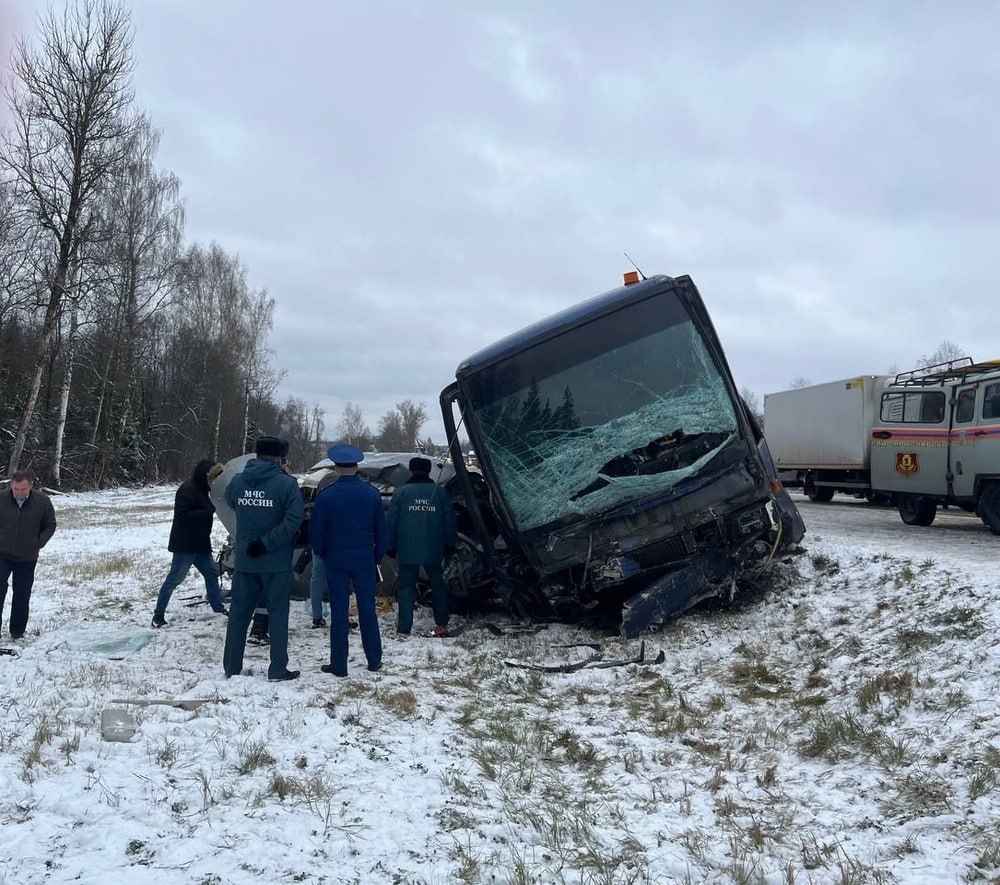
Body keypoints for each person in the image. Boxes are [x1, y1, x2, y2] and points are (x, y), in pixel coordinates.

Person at [222, 436, 303, 681]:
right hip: (275, 561)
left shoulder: (238, 482)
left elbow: (230, 502)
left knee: (238, 614)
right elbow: (293, 521)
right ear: (280, 457)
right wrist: (266, 542)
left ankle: (231, 667)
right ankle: (277, 669)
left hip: (245, 560)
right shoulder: (287, 485)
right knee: (277, 614)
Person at [310, 444, 386, 676]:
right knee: (367, 609)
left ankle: (339, 664)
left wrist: (324, 552)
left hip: (336, 557)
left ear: (335, 467)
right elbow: (382, 532)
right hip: (364, 556)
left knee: (339, 610)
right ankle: (374, 659)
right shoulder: (371, 494)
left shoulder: (327, 496)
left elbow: (317, 533)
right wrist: (376, 556)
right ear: (357, 466)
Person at [386, 456, 457, 638]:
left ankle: (404, 627)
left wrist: (391, 546)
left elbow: (391, 521)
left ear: (411, 470)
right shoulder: (440, 493)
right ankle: (442, 622)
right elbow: (450, 520)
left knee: (406, 587)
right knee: (438, 585)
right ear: (428, 471)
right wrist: (450, 543)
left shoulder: (401, 493)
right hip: (434, 548)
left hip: (407, 548)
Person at [151, 459, 227, 627]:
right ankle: (158, 616)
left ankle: (217, 608)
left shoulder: (203, 490)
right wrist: (206, 511)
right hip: (185, 545)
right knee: (174, 579)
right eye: (214, 478)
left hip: (201, 544)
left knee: (212, 573)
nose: (215, 482)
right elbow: (183, 516)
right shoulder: (187, 490)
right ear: (205, 476)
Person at [0, 471, 57, 640]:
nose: (19, 492)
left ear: (31, 486)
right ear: (11, 485)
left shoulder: (42, 501)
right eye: (16, 488)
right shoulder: (1, 499)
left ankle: (17, 632)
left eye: (23, 489)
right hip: (2, 554)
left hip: (27, 557)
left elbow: (50, 524)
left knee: (22, 594)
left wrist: (38, 542)